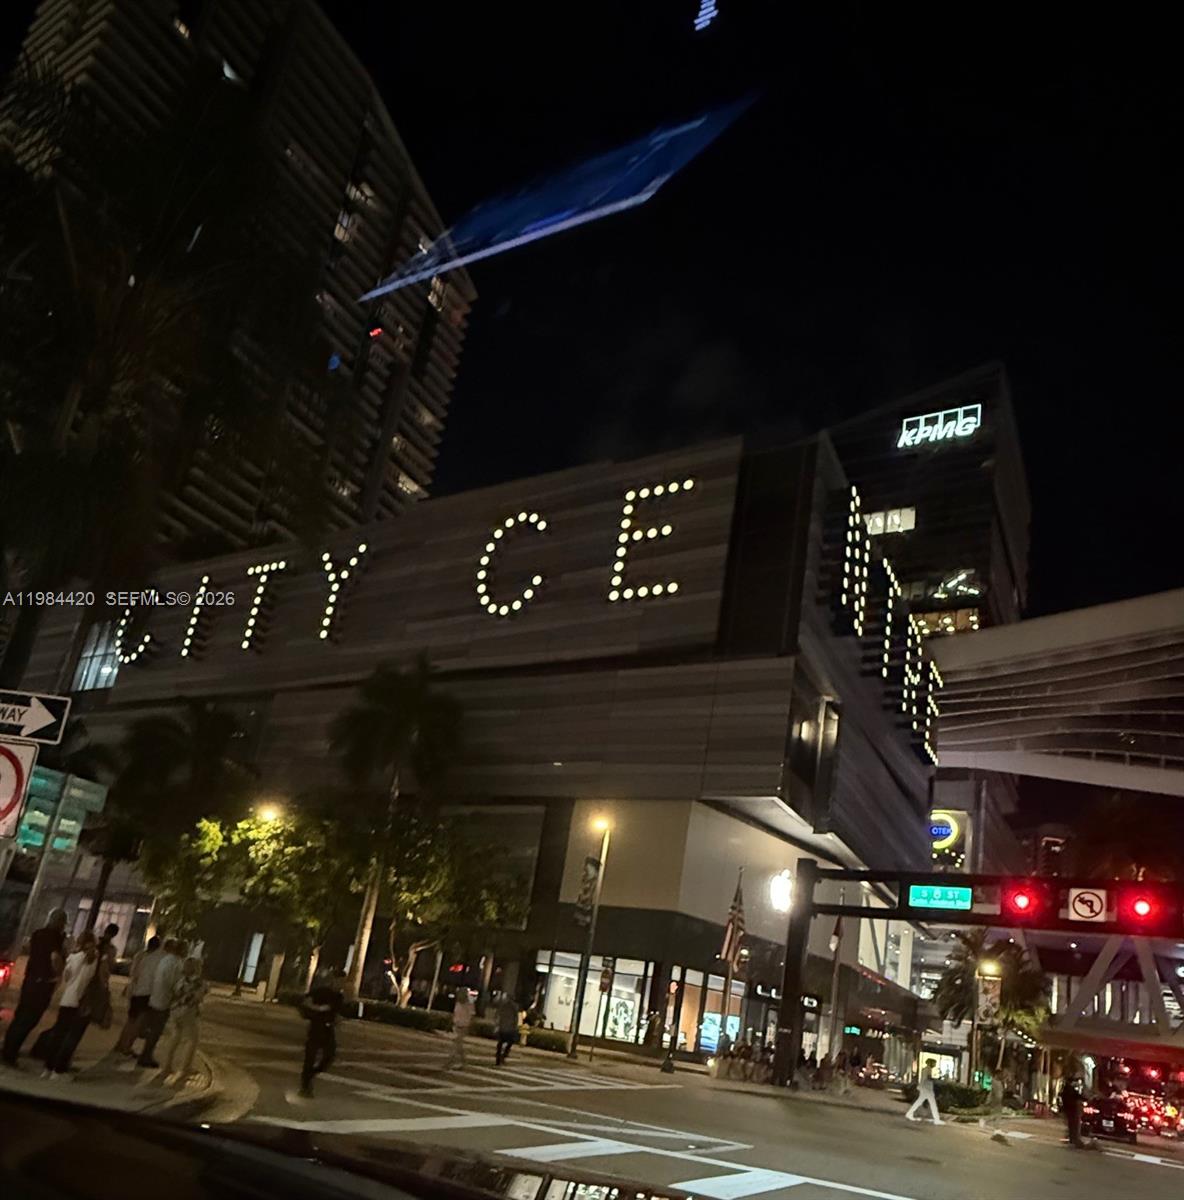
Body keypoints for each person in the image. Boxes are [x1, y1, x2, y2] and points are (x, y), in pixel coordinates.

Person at [2, 908, 68, 1068]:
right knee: (30, 1019)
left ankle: (7, 1049)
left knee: (20, 1015)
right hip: (43, 983)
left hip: (30, 980)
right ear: (61, 922)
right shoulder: (56, 938)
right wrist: (58, 973)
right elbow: (55, 958)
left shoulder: (38, 933)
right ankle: (10, 1053)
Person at [41, 930, 102, 1078]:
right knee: (71, 1037)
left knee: (59, 1034)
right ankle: (59, 1069)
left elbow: (67, 978)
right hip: (80, 1001)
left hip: (67, 998)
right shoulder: (93, 958)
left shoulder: (72, 957)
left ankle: (48, 1068)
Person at [138, 938, 186, 1068]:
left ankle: (146, 1053)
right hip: (163, 1000)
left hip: (156, 997)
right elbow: (173, 983)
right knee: (156, 1030)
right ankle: (146, 1055)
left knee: (153, 1028)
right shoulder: (175, 963)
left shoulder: (165, 960)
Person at [299, 968, 346, 1097]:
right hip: (316, 1028)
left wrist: (338, 1020)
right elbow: (306, 1002)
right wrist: (319, 1009)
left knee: (329, 1056)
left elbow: (335, 1013)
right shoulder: (322, 992)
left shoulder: (339, 997)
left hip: (328, 1029)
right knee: (310, 1057)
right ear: (334, 980)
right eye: (339, 981)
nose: (341, 984)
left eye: (343, 982)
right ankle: (305, 1087)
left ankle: (311, 1074)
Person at [162, 957, 208, 1081]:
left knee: (175, 1038)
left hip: (175, 1010)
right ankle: (184, 1068)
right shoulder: (199, 982)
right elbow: (198, 996)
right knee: (192, 1040)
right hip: (189, 1012)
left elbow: (175, 992)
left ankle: (167, 1065)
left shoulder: (181, 980)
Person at [116, 935, 161, 1054]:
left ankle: (120, 1043)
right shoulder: (154, 960)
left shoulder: (140, 955)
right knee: (138, 1022)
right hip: (145, 993)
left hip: (135, 991)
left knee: (130, 1020)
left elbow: (133, 973)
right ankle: (127, 1046)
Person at [905, 1057, 943, 1125]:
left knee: (920, 1102)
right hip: (927, 1089)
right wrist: (936, 1079)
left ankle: (909, 1113)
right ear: (930, 1063)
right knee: (932, 1104)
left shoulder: (926, 1069)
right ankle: (936, 1119)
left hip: (925, 1088)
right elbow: (928, 1078)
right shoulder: (928, 1069)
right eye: (934, 1063)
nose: (935, 1064)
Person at [445, 987, 475, 1070]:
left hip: (463, 1026)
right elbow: (455, 1014)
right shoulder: (458, 1003)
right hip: (456, 1025)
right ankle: (463, 1062)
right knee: (458, 1045)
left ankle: (450, 1062)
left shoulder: (469, 1003)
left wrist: (469, 1026)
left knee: (456, 1045)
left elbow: (472, 1015)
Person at [493, 990, 521, 1066]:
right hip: (509, 1027)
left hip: (503, 1026)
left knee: (501, 1043)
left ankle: (499, 1058)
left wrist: (497, 1024)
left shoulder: (504, 1006)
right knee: (509, 1042)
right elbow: (516, 1018)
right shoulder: (514, 1007)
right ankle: (502, 1056)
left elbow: (497, 1015)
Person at [1060, 1074, 1087, 1148]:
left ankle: (1072, 1139)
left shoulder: (1066, 1089)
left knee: (1072, 1125)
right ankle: (1074, 1139)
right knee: (1074, 1125)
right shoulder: (1069, 1089)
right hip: (1072, 1110)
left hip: (1069, 1110)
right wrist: (1085, 1099)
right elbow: (1077, 1096)